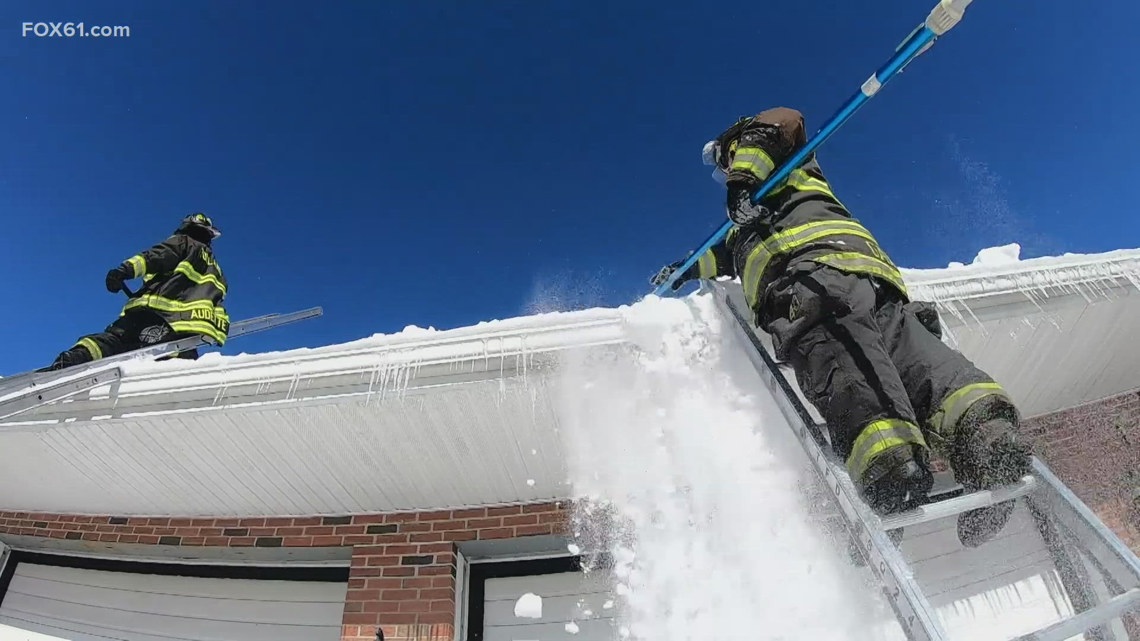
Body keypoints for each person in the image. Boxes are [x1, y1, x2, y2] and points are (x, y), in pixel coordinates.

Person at [653, 107, 1032, 546]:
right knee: (916, 366)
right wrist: (685, 269)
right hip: (869, 278)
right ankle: (988, 441)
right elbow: (721, 255)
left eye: (726, 161)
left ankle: (893, 475)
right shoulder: (751, 223)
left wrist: (741, 182)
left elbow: (783, 119)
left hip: (812, 283)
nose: (726, 171)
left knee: (846, 372)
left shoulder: (777, 161)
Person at [42, 213, 230, 371]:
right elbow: (218, 304)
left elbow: (155, 257)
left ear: (186, 228)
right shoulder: (217, 270)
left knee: (113, 341)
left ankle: (72, 361)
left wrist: (124, 270)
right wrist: (218, 331)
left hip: (154, 315)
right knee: (177, 361)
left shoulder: (183, 242)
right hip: (186, 330)